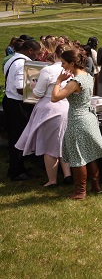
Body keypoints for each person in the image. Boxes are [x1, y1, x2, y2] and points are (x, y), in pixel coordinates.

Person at [52, 48, 102, 199]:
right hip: (89, 118)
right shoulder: (88, 76)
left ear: (72, 63)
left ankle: (80, 191)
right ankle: (96, 187)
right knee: (89, 154)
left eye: (64, 63)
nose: (62, 66)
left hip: (78, 120)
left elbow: (55, 97)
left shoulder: (74, 82)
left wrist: (58, 81)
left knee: (78, 155)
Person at [15, 44, 72, 187]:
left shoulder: (48, 70)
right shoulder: (72, 69)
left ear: (56, 54)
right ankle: (67, 175)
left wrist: (33, 88)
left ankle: (52, 180)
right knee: (62, 142)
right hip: (67, 106)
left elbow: (38, 93)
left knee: (49, 146)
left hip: (51, 108)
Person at [3, 39, 41, 180]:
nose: (37, 57)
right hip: (17, 105)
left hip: (10, 101)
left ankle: (18, 167)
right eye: (36, 53)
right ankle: (16, 171)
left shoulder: (12, 59)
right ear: (30, 50)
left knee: (15, 137)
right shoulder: (21, 63)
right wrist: (36, 92)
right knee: (19, 138)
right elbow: (20, 88)